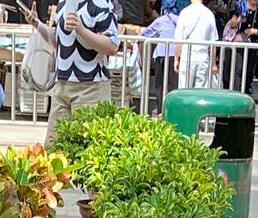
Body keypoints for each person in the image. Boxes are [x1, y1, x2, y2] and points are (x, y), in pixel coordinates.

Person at [45, 0, 121, 141]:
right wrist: (36, 24)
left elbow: (112, 45)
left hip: (91, 87)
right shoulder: (63, 3)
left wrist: (82, 31)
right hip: (62, 85)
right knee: (52, 147)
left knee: (87, 148)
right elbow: (58, 39)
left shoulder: (102, 4)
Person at [139, 0, 177, 107]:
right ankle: (172, 109)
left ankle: (161, 110)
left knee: (159, 85)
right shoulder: (180, 20)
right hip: (175, 56)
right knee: (173, 86)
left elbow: (145, 34)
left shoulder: (160, 20)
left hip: (160, 55)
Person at [174, 0, 219, 88]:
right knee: (200, 93)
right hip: (203, 59)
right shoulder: (209, 14)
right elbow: (213, 42)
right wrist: (213, 64)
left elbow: (178, 40)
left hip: (187, 57)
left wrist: (176, 59)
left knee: (184, 90)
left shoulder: (185, 13)